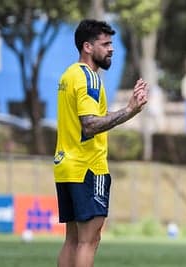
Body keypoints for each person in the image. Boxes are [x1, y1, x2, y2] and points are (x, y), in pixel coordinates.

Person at [53, 19, 148, 267]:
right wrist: (129, 111)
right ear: (87, 47)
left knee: (73, 240)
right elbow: (90, 124)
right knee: (88, 241)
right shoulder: (89, 78)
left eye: (111, 43)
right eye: (105, 44)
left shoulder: (68, 75)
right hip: (88, 168)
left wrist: (128, 110)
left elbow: (85, 121)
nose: (111, 49)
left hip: (66, 167)